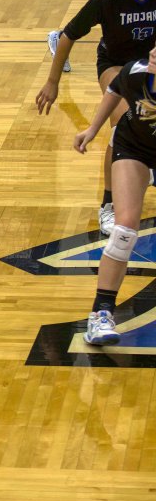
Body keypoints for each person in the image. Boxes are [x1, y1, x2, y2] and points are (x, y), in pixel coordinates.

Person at [36, 0, 156, 236]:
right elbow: (67, 35)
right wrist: (52, 82)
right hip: (116, 66)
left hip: (152, 65)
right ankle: (109, 204)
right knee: (123, 121)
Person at [73, 44, 156, 345]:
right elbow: (114, 88)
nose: (154, 53)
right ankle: (101, 315)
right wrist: (92, 129)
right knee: (124, 230)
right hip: (133, 150)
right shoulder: (136, 73)